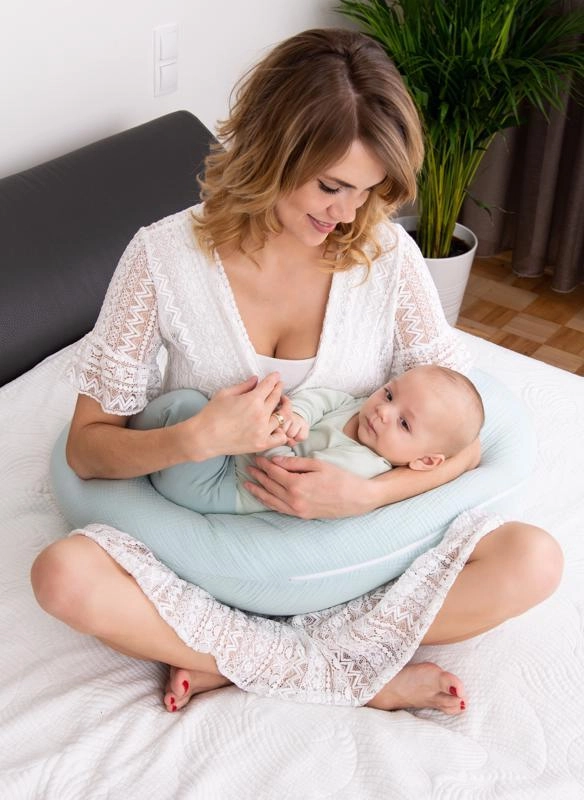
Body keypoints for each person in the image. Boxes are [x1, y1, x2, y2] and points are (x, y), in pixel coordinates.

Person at [31, 28, 562, 717]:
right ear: (271, 150)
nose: (347, 214)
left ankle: (230, 659)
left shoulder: (387, 260)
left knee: (533, 560)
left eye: (367, 191)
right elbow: (86, 449)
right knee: (63, 577)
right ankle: (357, 672)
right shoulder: (161, 259)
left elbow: (464, 446)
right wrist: (197, 438)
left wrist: (366, 497)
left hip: (357, 555)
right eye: (331, 186)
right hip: (210, 550)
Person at [132, 365, 485, 515]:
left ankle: (148, 451)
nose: (383, 411)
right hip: (234, 453)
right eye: (390, 394)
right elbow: (322, 399)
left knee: (186, 408)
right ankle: (137, 438)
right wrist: (294, 416)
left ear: (425, 461)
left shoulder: (363, 465)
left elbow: (284, 472)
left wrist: (267, 432)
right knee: (187, 403)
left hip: (226, 487)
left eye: (404, 424)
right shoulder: (363, 409)